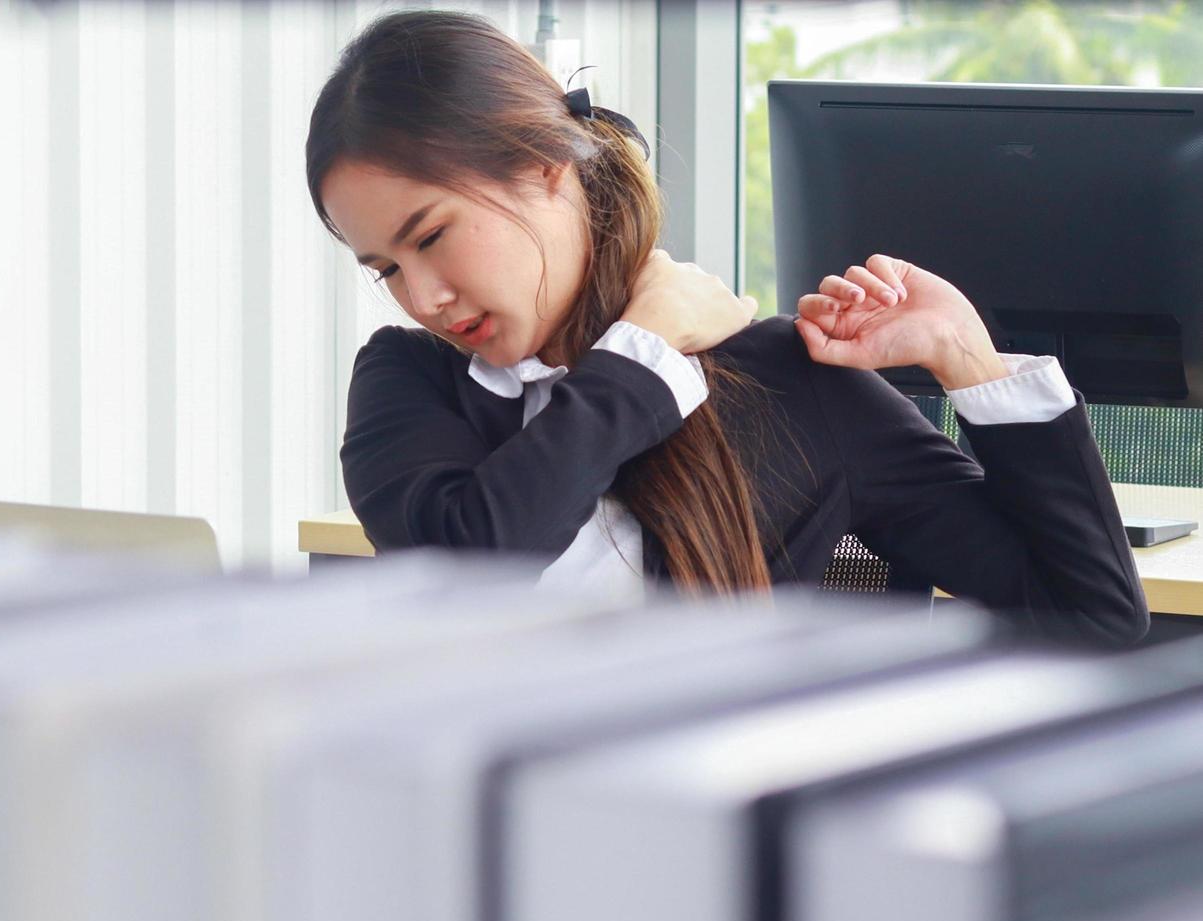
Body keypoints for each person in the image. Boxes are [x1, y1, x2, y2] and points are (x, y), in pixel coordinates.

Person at [305, 9, 1147, 647]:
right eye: (383, 269)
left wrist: (967, 359)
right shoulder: (410, 381)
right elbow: (471, 570)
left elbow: (1090, 619)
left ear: (544, 172)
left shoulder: (789, 381)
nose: (421, 298)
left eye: (430, 237)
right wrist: (644, 355)